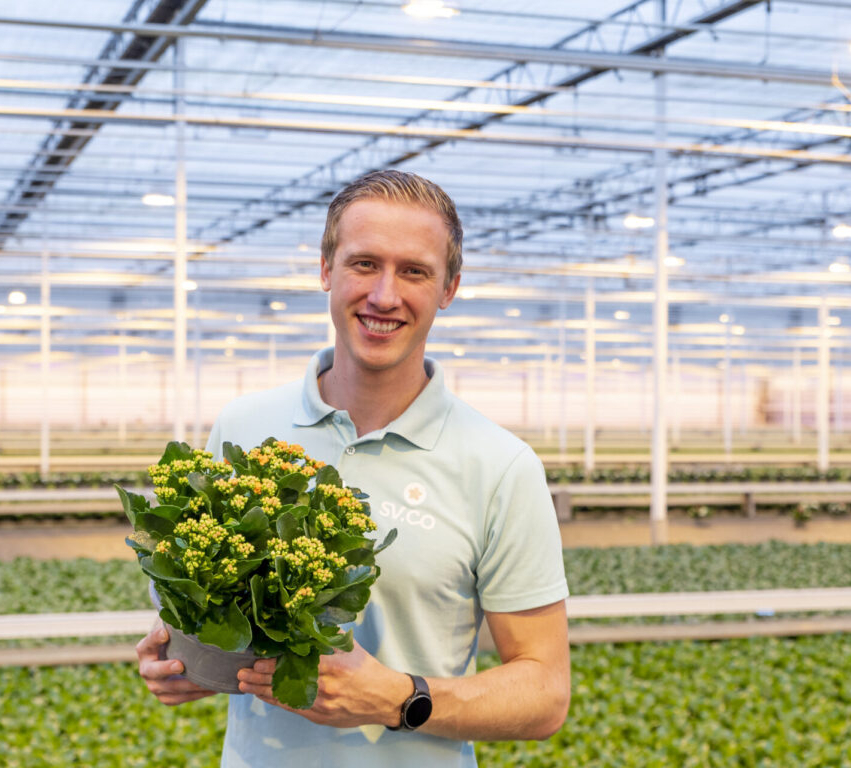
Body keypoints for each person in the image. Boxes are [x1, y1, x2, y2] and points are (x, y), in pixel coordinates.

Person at [136, 170, 570, 767]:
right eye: (364, 264)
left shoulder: (500, 465)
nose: (385, 295)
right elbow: (214, 620)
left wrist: (398, 699)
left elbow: (545, 692)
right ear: (325, 270)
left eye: (414, 271)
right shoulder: (242, 430)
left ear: (449, 288)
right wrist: (186, 662)